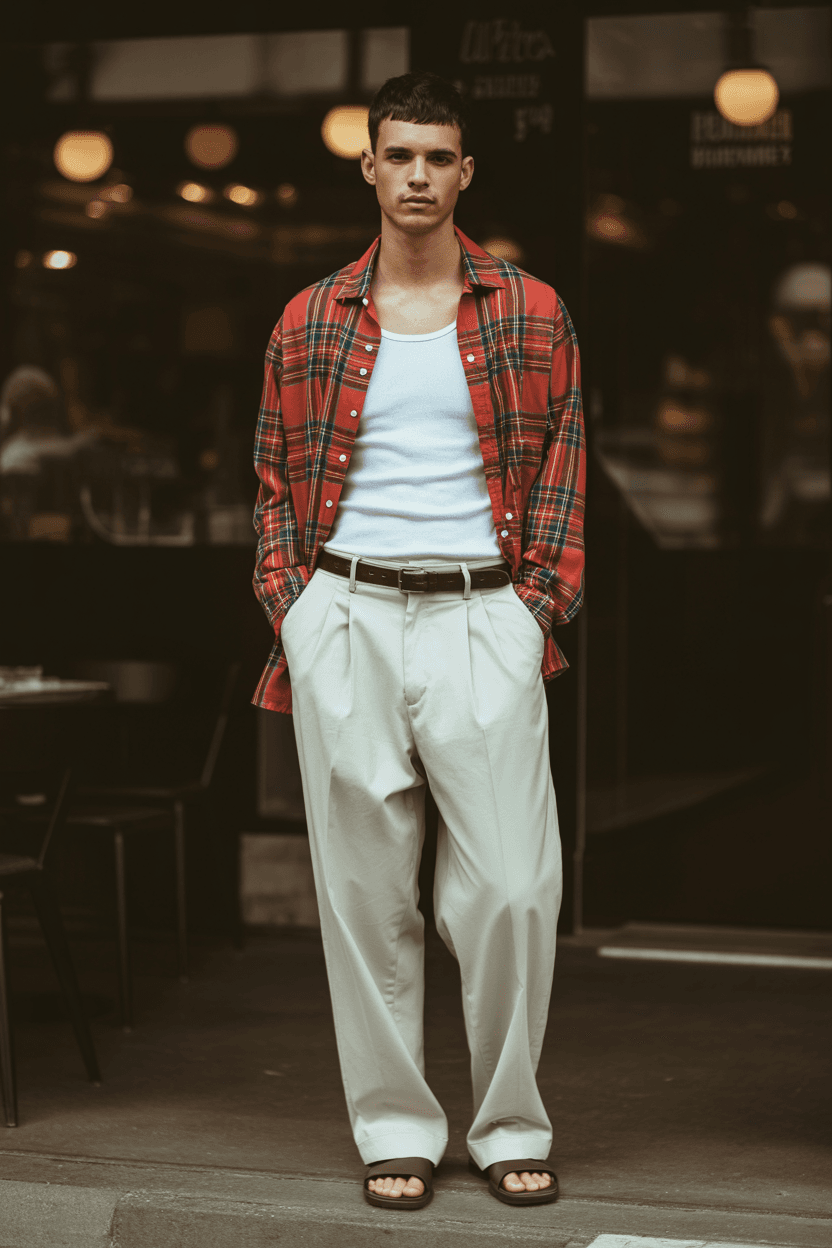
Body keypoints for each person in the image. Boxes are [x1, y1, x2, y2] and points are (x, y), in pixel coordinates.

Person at [252, 70, 585, 1211]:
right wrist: (293, 609)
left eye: (438, 158)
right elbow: (268, 483)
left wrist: (532, 605)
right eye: (399, 156)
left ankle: (507, 1124)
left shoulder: (532, 310)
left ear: (465, 172)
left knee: (510, 889)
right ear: (369, 166)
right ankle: (394, 1125)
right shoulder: (308, 319)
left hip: (483, 613)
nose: (418, 177)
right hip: (342, 612)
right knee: (365, 894)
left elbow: (561, 475)